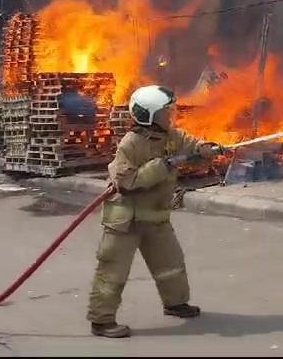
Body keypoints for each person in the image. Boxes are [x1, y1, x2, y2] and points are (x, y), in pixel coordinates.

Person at [87, 85, 223, 338]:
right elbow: (126, 181)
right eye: (165, 112)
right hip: (125, 220)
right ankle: (102, 321)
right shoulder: (131, 144)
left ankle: (175, 303)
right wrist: (163, 165)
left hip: (155, 217)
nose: (170, 115)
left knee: (170, 264)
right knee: (112, 273)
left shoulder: (172, 136)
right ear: (148, 115)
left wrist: (206, 148)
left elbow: (191, 145)